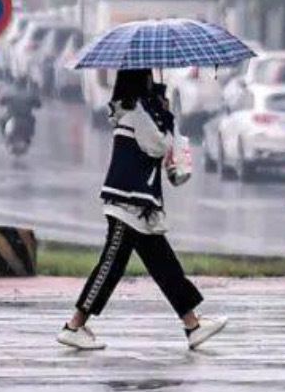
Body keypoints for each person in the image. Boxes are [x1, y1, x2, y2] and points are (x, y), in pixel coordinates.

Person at [58, 69, 226, 352]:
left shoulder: (134, 110)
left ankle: (192, 325)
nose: (154, 82)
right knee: (111, 266)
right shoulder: (136, 112)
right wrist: (167, 119)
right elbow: (157, 145)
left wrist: (163, 115)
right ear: (140, 81)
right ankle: (74, 325)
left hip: (140, 206)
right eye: (149, 78)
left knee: (165, 266)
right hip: (127, 203)